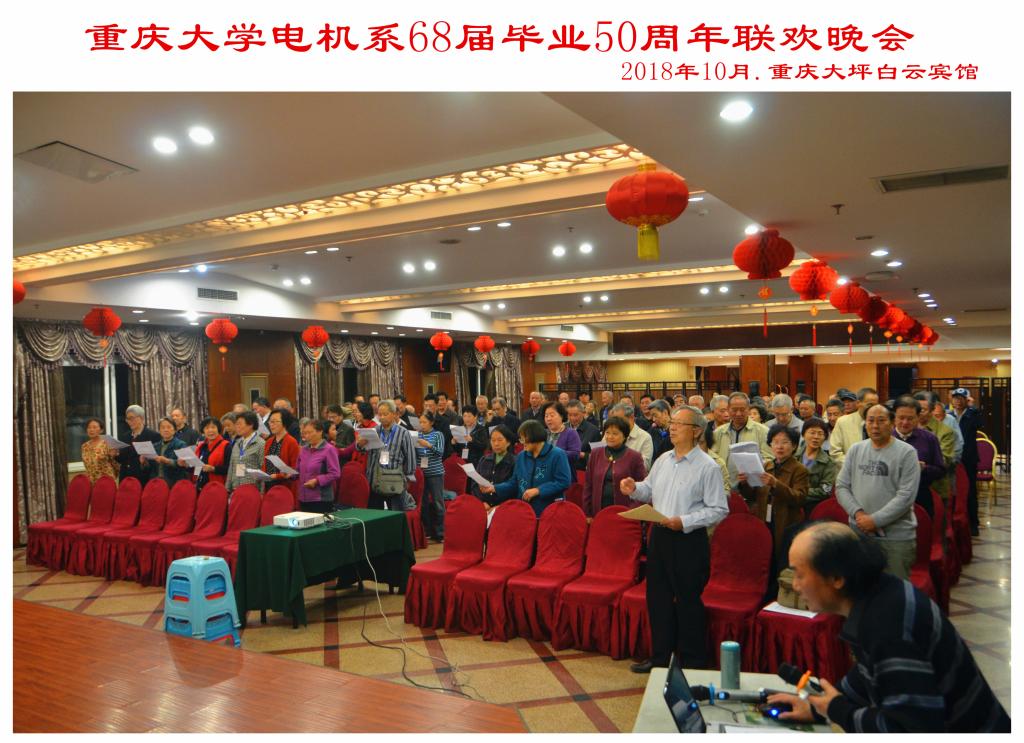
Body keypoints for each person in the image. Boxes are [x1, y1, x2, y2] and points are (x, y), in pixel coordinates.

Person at [766, 522, 1010, 733]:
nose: (794, 585)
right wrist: (816, 706)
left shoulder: (889, 626)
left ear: (837, 578)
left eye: (799, 574)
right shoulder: (879, 593)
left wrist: (836, 710)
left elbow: (907, 729)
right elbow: (867, 675)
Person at [620, 406, 729, 672]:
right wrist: (634, 488)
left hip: (688, 540)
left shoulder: (708, 467)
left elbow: (719, 509)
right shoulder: (663, 460)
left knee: (688, 601)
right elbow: (648, 490)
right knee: (657, 599)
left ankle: (692, 662)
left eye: (680, 423)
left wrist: (685, 521)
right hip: (659, 536)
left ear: (696, 431)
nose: (672, 427)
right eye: (672, 422)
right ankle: (660, 658)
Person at [835, 404, 919, 579]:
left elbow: (906, 496)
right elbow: (842, 486)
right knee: (861, 585)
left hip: (895, 537)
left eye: (881, 421)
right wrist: (858, 514)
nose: (875, 426)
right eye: (870, 420)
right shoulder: (855, 450)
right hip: (859, 532)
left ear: (892, 423)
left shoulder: (907, 453)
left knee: (894, 588)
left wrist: (874, 520)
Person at [737, 424, 809, 582]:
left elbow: (800, 498)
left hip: (786, 522)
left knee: (781, 561)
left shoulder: (799, 470)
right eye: (775, 442)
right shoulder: (766, 466)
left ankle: (779, 591)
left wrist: (776, 484)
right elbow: (753, 495)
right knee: (765, 559)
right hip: (764, 519)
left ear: (794, 446)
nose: (779, 446)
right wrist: (745, 483)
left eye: (785, 442)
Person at [483, 420, 571, 517]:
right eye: (521, 439)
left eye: (524, 438)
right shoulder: (521, 456)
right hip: (525, 510)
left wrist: (538, 490)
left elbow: (563, 482)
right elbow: (514, 482)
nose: (522, 442)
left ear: (535, 436)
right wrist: (495, 488)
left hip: (550, 510)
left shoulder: (557, 454)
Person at [351, 400, 416, 510]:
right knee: (376, 515)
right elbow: (361, 449)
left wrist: (407, 478)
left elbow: (410, 458)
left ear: (394, 414)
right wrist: (360, 444)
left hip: (393, 481)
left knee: (394, 515)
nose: (381, 417)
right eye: (379, 414)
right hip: (374, 481)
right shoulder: (374, 431)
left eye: (385, 414)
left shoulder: (403, 433)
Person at [581, 416, 646, 517]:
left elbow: (642, 488)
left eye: (615, 434)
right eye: (607, 433)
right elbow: (588, 485)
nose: (610, 437)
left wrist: (631, 512)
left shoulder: (634, 457)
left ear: (624, 436)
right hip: (598, 511)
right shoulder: (595, 453)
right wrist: (587, 513)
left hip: (625, 513)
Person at [892, 396, 945, 518]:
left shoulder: (929, 439)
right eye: (901, 418)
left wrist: (924, 468)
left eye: (910, 418)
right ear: (894, 417)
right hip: (890, 497)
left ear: (918, 418)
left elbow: (941, 471)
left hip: (921, 496)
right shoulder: (886, 438)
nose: (905, 422)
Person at [711, 392, 772, 488]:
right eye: (734, 410)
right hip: (724, 487)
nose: (738, 413)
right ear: (728, 409)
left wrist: (753, 468)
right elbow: (712, 458)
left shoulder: (763, 431)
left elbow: (770, 459)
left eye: (742, 410)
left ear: (748, 409)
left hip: (753, 488)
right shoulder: (718, 432)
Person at [948, 387, 982, 535]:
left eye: (961, 398)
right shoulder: (949, 416)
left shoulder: (973, 414)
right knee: (953, 491)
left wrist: (973, 407)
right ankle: (955, 522)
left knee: (970, 491)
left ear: (966, 400)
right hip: (953, 457)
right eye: (955, 398)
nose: (958, 401)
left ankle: (973, 523)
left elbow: (980, 424)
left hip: (969, 458)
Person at [913, 391, 955, 505]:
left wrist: (918, 464)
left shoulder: (945, 431)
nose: (918, 413)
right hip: (910, 489)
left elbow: (944, 461)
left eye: (923, 409)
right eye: (916, 409)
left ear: (932, 410)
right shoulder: (908, 428)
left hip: (935, 488)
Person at [294, 419, 341, 514]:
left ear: (320, 432)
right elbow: (298, 470)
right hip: (303, 497)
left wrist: (317, 481)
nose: (307, 436)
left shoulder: (329, 449)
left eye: (310, 432)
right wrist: (289, 473)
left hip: (321, 499)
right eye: (305, 433)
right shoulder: (304, 450)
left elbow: (335, 473)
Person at [796, 417, 839, 516]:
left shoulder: (829, 463)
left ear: (825, 438)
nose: (816, 437)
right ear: (803, 434)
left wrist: (797, 492)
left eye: (820, 434)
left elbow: (824, 491)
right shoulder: (793, 456)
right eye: (812, 432)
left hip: (813, 509)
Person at [415, 412, 446, 542]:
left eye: (424, 422)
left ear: (431, 423)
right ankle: (426, 531)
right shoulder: (417, 435)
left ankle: (440, 532)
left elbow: (440, 452)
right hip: (421, 474)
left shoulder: (438, 434)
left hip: (435, 473)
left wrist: (428, 445)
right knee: (423, 504)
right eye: (420, 422)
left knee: (438, 503)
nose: (422, 425)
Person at [470, 425, 518, 508]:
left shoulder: (515, 462)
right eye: (493, 440)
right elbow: (474, 485)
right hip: (483, 506)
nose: (496, 444)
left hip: (504, 507)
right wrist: (482, 502)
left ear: (508, 442)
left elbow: (514, 487)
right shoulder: (484, 460)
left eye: (500, 440)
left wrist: (499, 506)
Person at [828, 387, 879, 464]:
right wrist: (854, 465)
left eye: (876, 405)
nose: (873, 408)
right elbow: (834, 452)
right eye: (869, 405)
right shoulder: (843, 422)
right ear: (858, 403)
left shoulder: (880, 424)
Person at [116, 405, 162, 484]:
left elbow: (156, 461)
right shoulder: (125, 436)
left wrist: (145, 462)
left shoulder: (153, 436)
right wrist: (115, 454)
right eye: (127, 419)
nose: (129, 421)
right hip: (125, 478)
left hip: (143, 479)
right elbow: (122, 459)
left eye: (132, 418)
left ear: (141, 418)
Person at [225, 411, 266, 494]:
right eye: (236, 424)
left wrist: (262, 493)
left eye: (239, 424)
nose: (237, 427)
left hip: (252, 491)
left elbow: (264, 470)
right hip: (235, 489)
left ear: (250, 424)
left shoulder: (261, 444)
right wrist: (227, 489)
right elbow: (231, 467)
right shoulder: (237, 443)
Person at [263, 408, 300, 496]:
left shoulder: (291, 442)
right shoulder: (269, 441)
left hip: (285, 485)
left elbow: (295, 468)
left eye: (275, 422)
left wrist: (277, 476)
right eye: (270, 422)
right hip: (268, 484)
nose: (271, 425)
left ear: (284, 423)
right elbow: (265, 463)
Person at [608, 403, 654, 470]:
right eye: (615, 420)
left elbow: (645, 466)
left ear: (631, 418)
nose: (617, 423)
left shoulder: (645, 437)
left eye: (620, 420)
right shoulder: (610, 435)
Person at [194, 417, 230, 491]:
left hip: (217, 487)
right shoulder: (202, 446)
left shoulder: (226, 445)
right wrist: (186, 464)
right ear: (203, 431)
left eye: (213, 427)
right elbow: (197, 467)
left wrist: (213, 469)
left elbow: (229, 468)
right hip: (200, 486)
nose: (210, 430)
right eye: (207, 428)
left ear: (218, 429)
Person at [567, 399, 602, 471]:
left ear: (583, 413)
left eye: (575, 415)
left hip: (582, 470)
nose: (572, 418)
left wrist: (582, 455)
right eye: (570, 415)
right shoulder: (563, 428)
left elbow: (599, 456)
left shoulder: (594, 431)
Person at [80, 417, 119, 482]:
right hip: (91, 481)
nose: (91, 430)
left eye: (94, 427)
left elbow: (116, 464)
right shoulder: (84, 446)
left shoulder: (107, 443)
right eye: (89, 427)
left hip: (106, 481)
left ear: (101, 430)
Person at [152, 417, 188, 486]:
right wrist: (144, 462)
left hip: (174, 483)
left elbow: (183, 464)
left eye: (169, 427)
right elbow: (151, 467)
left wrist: (167, 461)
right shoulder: (155, 446)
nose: (166, 430)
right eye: (163, 427)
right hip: (157, 482)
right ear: (159, 431)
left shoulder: (181, 444)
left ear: (174, 430)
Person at [422, 394, 453, 459]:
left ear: (436, 406)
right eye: (426, 405)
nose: (427, 408)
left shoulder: (444, 421)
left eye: (430, 406)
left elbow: (443, 441)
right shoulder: (421, 421)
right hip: (424, 455)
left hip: (439, 457)